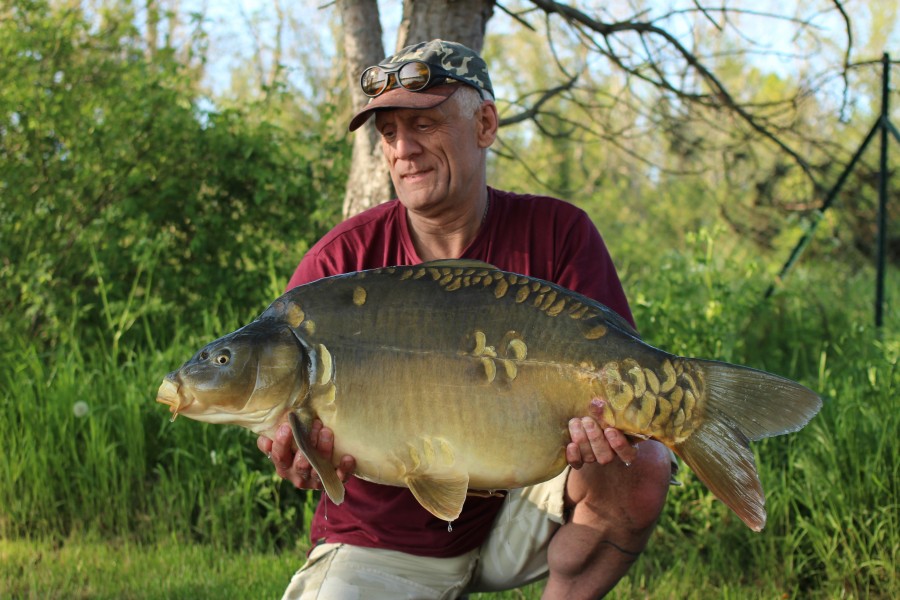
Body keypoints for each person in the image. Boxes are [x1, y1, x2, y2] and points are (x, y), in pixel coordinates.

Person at [256, 39, 673, 599]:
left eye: (423, 124)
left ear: (485, 124)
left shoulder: (559, 233)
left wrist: (607, 425)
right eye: (388, 132)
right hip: (384, 541)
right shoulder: (338, 267)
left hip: (524, 507)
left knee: (642, 462)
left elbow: (622, 377)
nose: (403, 148)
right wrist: (298, 451)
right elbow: (286, 412)